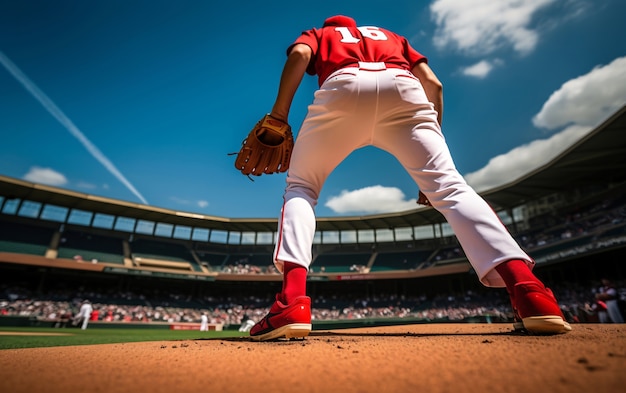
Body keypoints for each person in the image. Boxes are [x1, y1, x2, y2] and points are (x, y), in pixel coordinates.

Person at [249, 15, 571, 341]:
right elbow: (433, 83)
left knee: (301, 189)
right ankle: (530, 292)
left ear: (332, 26)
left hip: (342, 85)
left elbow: (301, 55)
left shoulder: (321, 34)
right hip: (404, 88)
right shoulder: (391, 36)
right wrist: (429, 153)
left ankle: (291, 302)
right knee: (450, 187)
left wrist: (278, 115)